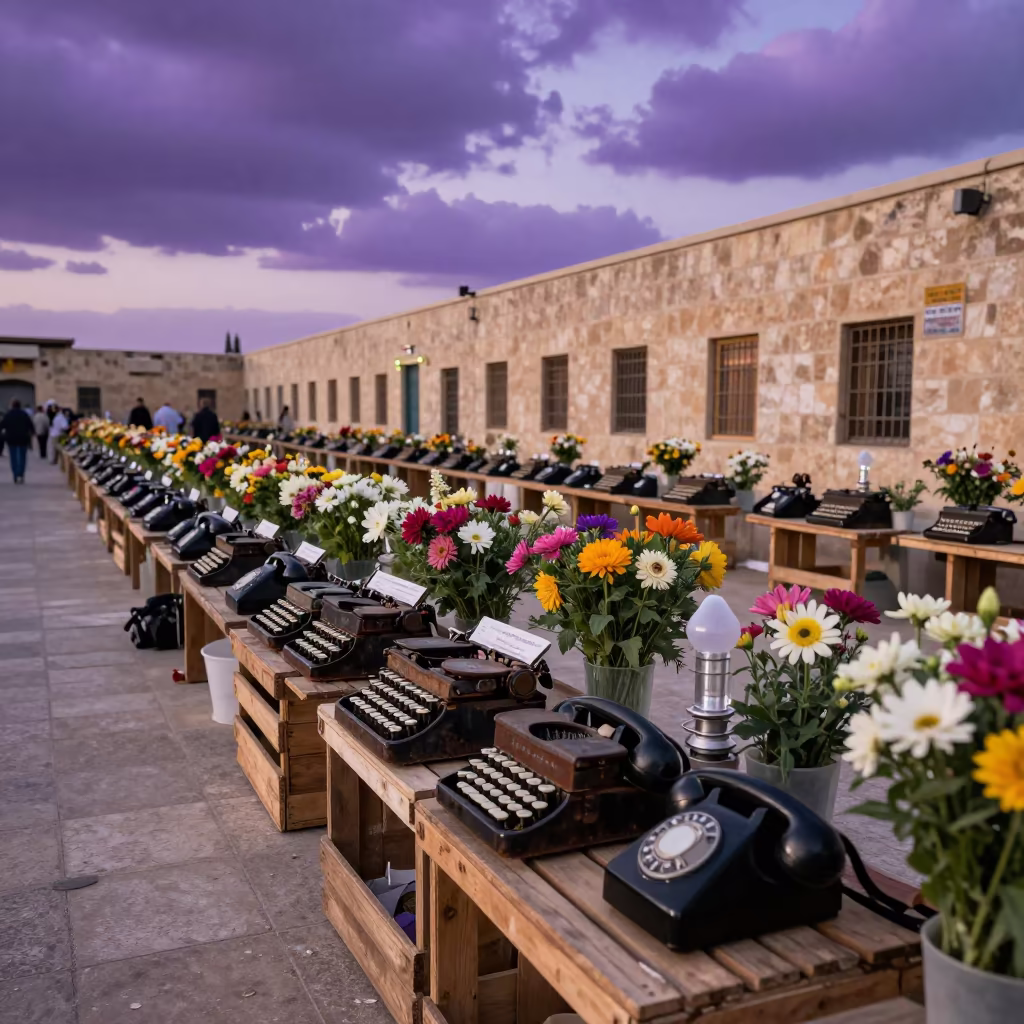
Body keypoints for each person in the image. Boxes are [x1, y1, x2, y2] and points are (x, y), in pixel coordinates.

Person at [1, 399, 35, 483]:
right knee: (22, 457)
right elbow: (31, 426)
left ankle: (15, 474)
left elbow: (2, 425)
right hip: (23, 438)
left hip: (11, 439)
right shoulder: (24, 414)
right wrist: (32, 434)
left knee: (13, 457)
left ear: (12, 405)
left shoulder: (8, 415)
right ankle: (21, 474)